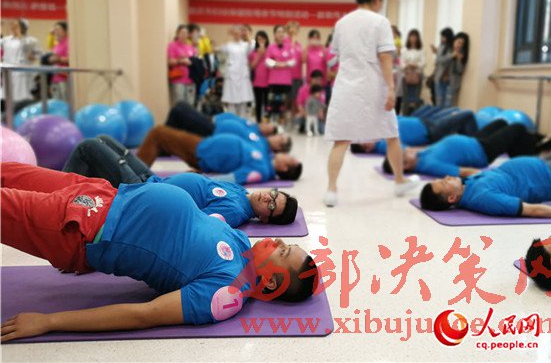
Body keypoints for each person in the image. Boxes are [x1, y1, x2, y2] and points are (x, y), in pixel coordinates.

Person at [0, 162, 316, 342]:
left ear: (271, 282)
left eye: (283, 252)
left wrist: (49, 321)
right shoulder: (240, 242)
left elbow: (144, 314)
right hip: (103, 193)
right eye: (285, 244)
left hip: (81, 226)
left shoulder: (227, 293)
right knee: (7, 171)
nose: (278, 243)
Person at [323, 0, 420, 207]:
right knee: (391, 135)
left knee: (341, 140)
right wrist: (391, 89)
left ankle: (331, 190)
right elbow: (385, 57)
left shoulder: (342, 23)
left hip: (346, 87)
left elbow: (335, 56)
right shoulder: (380, 22)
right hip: (373, 87)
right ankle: (399, 181)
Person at [62, 135, 298, 228]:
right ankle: (74, 195)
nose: (268, 197)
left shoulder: (235, 211)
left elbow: (194, 222)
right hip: (154, 180)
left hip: (143, 192)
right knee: (105, 140)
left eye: (271, 205)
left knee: (88, 148)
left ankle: (59, 201)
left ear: (264, 218)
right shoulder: (242, 193)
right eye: (274, 194)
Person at [419, 138, 551, 220]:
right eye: (444, 182)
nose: (447, 177)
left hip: (548, 164)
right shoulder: (483, 198)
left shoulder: (468, 185)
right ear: (452, 198)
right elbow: (532, 210)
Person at [137, 126, 302, 185]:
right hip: (206, 146)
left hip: (203, 153)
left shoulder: (262, 171)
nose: (287, 155)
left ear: (284, 168)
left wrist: (203, 180)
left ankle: (134, 180)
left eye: (291, 159)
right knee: (161, 138)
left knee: (158, 134)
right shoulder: (266, 158)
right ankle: (135, 175)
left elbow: (233, 178)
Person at [382, 119, 547, 177]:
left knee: (501, 123)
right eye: (403, 155)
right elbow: (463, 172)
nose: (405, 151)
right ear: (405, 165)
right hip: (482, 151)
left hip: (473, 140)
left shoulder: (419, 157)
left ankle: (537, 143)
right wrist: (494, 177)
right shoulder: (430, 166)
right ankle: (532, 162)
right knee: (517, 128)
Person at [165, 102, 291, 153]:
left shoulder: (259, 145)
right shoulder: (256, 132)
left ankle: (165, 145)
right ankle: (165, 144)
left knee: (179, 109)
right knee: (180, 110)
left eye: (279, 138)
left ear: (278, 148)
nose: (276, 136)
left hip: (213, 132)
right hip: (213, 123)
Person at [350, 109, 478, 154]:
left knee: (455, 111)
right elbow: (408, 151)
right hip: (431, 130)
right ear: (367, 149)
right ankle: (476, 146)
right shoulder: (384, 145)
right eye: (365, 143)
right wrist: (429, 147)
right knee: (467, 115)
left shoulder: (378, 135)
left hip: (424, 121)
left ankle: (466, 142)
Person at [0, 19, 39, 109]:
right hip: (9, 73)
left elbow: (37, 54)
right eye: (12, 26)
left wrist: (32, 56)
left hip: (23, 74)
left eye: (16, 26)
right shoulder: (7, 40)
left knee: (22, 97)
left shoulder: (30, 41)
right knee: (8, 97)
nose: (13, 28)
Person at [220, 26, 254, 118]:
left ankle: (242, 122)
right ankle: (232, 122)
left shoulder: (245, 45)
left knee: (243, 103)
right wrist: (228, 34)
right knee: (231, 102)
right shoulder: (229, 45)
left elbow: (252, 45)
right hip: (231, 76)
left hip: (242, 76)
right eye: (235, 33)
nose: (237, 35)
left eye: (238, 33)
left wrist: (246, 33)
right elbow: (222, 47)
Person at [265, 25, 294, 123]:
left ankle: (281, 123)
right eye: (278, 32)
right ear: (274, 34)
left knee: (283, 104)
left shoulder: (289, 46)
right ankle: (270, 123)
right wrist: (279, 64)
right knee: (272, 103)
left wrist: (282, 64)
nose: (281, 34)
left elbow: (293, 61)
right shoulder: (271, 47)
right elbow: (267, 61)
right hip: (274, 80)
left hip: (285, 81)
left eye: (282, 32)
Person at [167, 24, 196, 106]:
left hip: (190, 80)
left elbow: (195, 60)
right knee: (179, 104)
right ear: (177, 33)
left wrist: (192, 61)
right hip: (178, 80)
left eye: (186, 33)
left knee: (190, 104)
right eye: (182, 33)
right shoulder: (172, 45)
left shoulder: (190, 47)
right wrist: (181, 61)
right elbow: (170, 62)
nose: (184, 35)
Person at [401, 29, 425, 115]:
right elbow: (401, 63)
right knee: (406, 98)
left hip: (417, 76)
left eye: (415, 37)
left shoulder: (420, 50)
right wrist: (408, 65)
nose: (413, 39)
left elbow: (423, 63)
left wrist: (415, 65)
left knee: (416, 98)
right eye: (411, 37)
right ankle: (405, 115)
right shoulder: (404, 50)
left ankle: (416, 116)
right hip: (406, 76)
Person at [249, 30, 270, 123]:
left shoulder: (270, 51)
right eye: (259, 39)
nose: (261, 41)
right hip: (257, 82)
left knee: (267, 103)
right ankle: (258, 121)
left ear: (266, 40)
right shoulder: (253, 53)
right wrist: (259, 55)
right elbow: (251, 66)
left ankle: (267, 121)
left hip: (268, 81)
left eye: (263, 39)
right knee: (258, 102)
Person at [431, 28, 454, 107]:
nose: (441, 38)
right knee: (439, 101)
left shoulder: (452, 47)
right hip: (439, 77)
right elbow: (439, 59)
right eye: (441, 36)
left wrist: (449, 56)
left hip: (449, 78)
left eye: (443, 37)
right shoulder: (441, 46)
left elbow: (442, 59)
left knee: (448, 103)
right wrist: (450, 56)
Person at [285, 21, 304, 114]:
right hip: (288, 76)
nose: (293, 30)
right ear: (287, 29)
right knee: (288, 99)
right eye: (291, 27)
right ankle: (285, 118)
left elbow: (301, 59)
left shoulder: (299, 44)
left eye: (296, 28)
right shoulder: (285, 42)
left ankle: (294, 118)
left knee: (296, 99)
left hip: (298, 76)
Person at [48, 21, 69, 101]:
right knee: (56, 102)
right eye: (55, 29)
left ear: (65, 31)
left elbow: (71, 59)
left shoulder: (68, 42)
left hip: (64, 78)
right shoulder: (57, 44)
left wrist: (59, 59)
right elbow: (50, 47)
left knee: (64, 102)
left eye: (58, 29)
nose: (55, 31)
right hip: (55, 78)